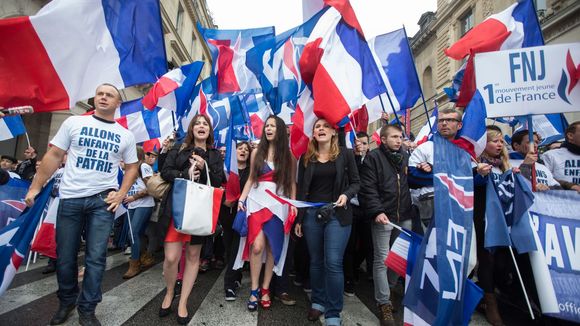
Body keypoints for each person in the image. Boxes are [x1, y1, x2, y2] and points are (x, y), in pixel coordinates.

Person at [24, 83, 138, 326]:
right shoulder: (74, 123)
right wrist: (35, 186)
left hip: (102, 202)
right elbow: (54, 155)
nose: (104, 98)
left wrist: (121, 193)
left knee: (96, 258)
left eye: (110, 96)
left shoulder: (125, 135)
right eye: (100, 94)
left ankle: (87, 308)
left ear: (118, 103)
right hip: (70, 198)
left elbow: (132, 167)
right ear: (95, 98)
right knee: (65, 256)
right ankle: (67, 301)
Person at [159, 113, 225, 324]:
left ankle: (183, 302)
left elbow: (218, 180)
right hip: (177, 207)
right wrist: (186, 173)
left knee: (193, 257)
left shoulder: (214, 155)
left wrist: (204, 165)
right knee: (171, 258)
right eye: (197, 123)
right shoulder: (179, 148)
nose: (201, 126)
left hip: (199, 211)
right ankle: (170, 291)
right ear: (192, 129)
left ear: (209, 131)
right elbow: (165, 172)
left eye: (205, 123)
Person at [294, 118, 360, 326]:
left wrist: (346, 195)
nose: (321, 129)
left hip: (337, 214)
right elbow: (301, 190)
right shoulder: (305, 158)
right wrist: (300, 218)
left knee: (332, 262)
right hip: (312, 216)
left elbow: (357, 183)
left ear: (333, 132)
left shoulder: (346, 155)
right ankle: (318, 302)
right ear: (313, 134)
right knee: (316, 261)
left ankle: (333, 311)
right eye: (317, 127)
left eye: (325, 126)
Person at [237, 115, 297, 312]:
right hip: (256, 202)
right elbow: (250, 179)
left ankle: (265, 289)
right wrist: (241, 199)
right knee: (257, 246)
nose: (269, 128)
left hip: (278, 204)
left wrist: (294, 204)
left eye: (273, 126)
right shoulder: (256, 152)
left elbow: (291, 183)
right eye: (267, 126)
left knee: (272, 246)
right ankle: (254, 289)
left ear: (280, 130)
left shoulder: (288, 155)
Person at [359, 124, 413, 326]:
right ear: (382, 139)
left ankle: (389, 293)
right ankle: (384, 303)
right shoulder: (373, 158)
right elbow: (368, 188)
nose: (399, 140)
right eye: (394, 137)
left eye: (400, 137)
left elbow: (410, 182)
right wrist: (377, 211)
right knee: (382, 259)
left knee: (398, 258)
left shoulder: (406, 156)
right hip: (384, 216)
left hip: (404, 215)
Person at [473, 125, 513, 326]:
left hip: (505, 221)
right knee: (487, 260)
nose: (499, 144)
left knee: (503, 262)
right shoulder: (475, 163)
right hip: (483, 220)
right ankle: (490, 301)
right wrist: (479, 175)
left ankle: (486, 293)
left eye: (501, 141)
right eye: (494, 141)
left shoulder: (505, 165)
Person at [408, 106, 463, 230]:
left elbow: (469, 178)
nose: (444, 123)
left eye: (449, 120)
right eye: (441, 120)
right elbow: (411, 178)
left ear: (459, 125)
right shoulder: (425, 147)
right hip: (429, 206)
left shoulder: (464, 151)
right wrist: (447, 177)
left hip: (458, 206)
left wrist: (434, 172)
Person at [343, 131, 372, 296]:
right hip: (351, 207)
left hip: (367, 208)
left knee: (368, 245)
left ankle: (354, 267)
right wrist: (356, 156)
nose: (360, 145)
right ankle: (349, 278)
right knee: (350, 245)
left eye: (364, 143)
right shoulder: (348, 161)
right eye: (357, 143)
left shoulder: (372, 161)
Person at [222, 141, 251, 301]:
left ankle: (229, 285)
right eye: (240, 148)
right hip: (226, 214)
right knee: (229, 249)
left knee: (235, 249)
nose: (243, 151)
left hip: (242, 214)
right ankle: (237, 274)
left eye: (246, 149)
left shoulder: (251, 171)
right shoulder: (226, 169)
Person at [122, 146, 155, 279]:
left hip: (144, 204)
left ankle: (134, 263)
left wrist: (133, 197)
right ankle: (144, 256)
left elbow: (151, 187)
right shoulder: (130, 168)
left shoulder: (144, 167)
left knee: (133, 232)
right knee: (138, 233)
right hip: (132, 205)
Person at [542, 121, 580, 193]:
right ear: (570, 136)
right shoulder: (550, 156)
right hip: (561, 202)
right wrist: (569, 186)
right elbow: (544, 180)